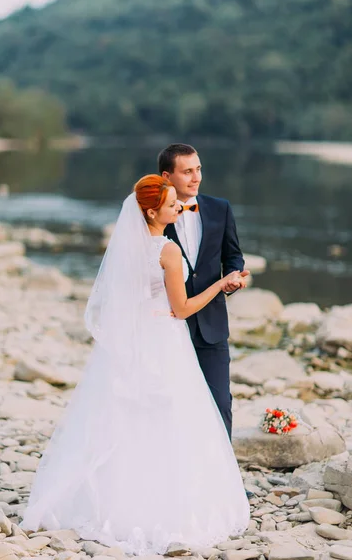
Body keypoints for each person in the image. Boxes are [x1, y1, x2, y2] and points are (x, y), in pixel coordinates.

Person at [21, 175, 250, 555]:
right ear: (151, 210)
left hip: (134, 339)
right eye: (172, 202)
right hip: (164, 340)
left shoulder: (129, 246)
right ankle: (168, 503)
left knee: (124, 416)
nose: (178, 207)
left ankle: (110, 500)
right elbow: (182, 309)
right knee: (172, 418)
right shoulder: (167, 251)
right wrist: (220, 284)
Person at [160, 143, 249, 440]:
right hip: (169, 327)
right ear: (167, 177)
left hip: (212, 325)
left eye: (198, 169)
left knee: (220, 403)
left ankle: (225, 486)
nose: (196, 177)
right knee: (171, 405)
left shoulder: (220, 208)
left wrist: (233, 277)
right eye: (187, 171)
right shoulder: (153, 217)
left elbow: (232, 255)